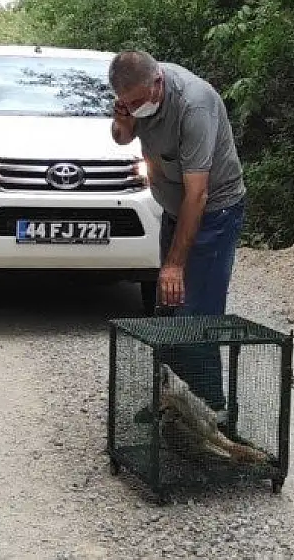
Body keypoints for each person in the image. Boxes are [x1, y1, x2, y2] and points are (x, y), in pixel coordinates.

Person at [108, 49, 247, 416]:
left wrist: (174, 264)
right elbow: (122, 138)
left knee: (194, 315)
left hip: (214, 212)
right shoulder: (134, 98)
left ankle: (210, 413)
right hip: (175, 210)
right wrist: (122, 118)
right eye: (125, 102)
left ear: (157, 84)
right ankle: (170, 401)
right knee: (167, 309)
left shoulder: (194, 105)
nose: (133, 107)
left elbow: (198, 194)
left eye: (137, 101)